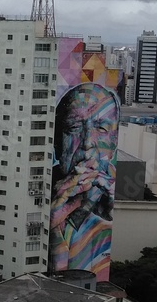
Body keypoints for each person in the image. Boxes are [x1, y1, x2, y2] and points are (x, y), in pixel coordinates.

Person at [50, 83, 119, 275]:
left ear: (114, 143)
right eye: (74, 127)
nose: (88, 142)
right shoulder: (40, 187)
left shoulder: (114, 199)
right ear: (56, 141)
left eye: (102, 129)